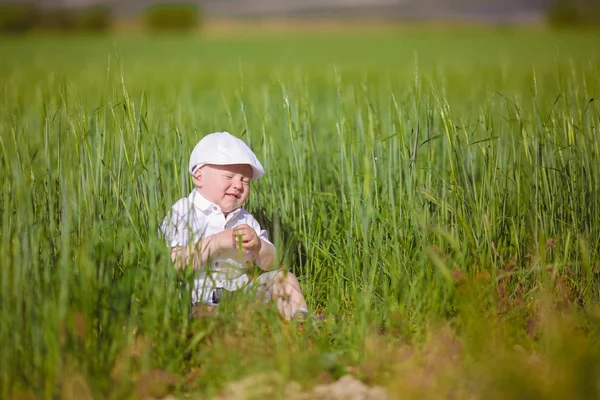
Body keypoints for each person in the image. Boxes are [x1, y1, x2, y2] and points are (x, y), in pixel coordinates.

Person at [160, 131, 308, 322]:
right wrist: (217, 242)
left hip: (239, 297)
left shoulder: (245, 220)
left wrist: (259, 246)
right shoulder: (182, 213)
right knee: (192, 309)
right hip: (195, 299)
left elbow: (272, 263)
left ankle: (300, 320)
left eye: (245, 181)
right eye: (229, 177)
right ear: (199, 177)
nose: (238, 185)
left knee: (284, 278)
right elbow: (175, 266)